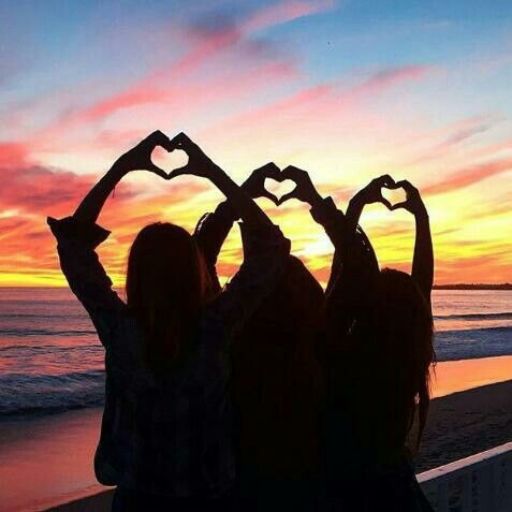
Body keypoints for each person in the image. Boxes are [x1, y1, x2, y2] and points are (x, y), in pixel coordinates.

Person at [48, 131, 290, 511]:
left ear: (136, 275)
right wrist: (210, 171)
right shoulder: (215, 328)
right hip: (209, 500)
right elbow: (271, 249)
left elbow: (74, 247)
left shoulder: (121, 330)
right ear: (193, 274)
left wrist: (123, 166)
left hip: (137, 501)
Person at [278, 167, 435, 511]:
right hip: (398, 494)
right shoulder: (404, 364)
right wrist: (420, 216)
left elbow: (343, 278)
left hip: (339, 495)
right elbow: (419, 288)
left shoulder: (338, 358)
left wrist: (353, 206)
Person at [193, 165, 325, 511]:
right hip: (300, 488)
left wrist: (238, 198)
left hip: (234, 489)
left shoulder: (222, 335)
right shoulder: (321, 361)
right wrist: (315, 201)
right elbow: (354, 273)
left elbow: (198, 263)